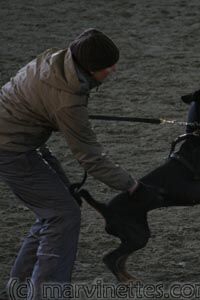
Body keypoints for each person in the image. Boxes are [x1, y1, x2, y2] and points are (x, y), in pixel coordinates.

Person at [0, 28, 139, 299]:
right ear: (88, 67)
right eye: (107, 67)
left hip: (21, 140)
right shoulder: (67, 101)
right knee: (62, 214)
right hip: (11, 149)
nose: (113, 71)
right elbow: (90, 158)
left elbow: (47, 104)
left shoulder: (56, 62)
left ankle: (20, 285)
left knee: (60, 206)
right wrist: (129, 184)